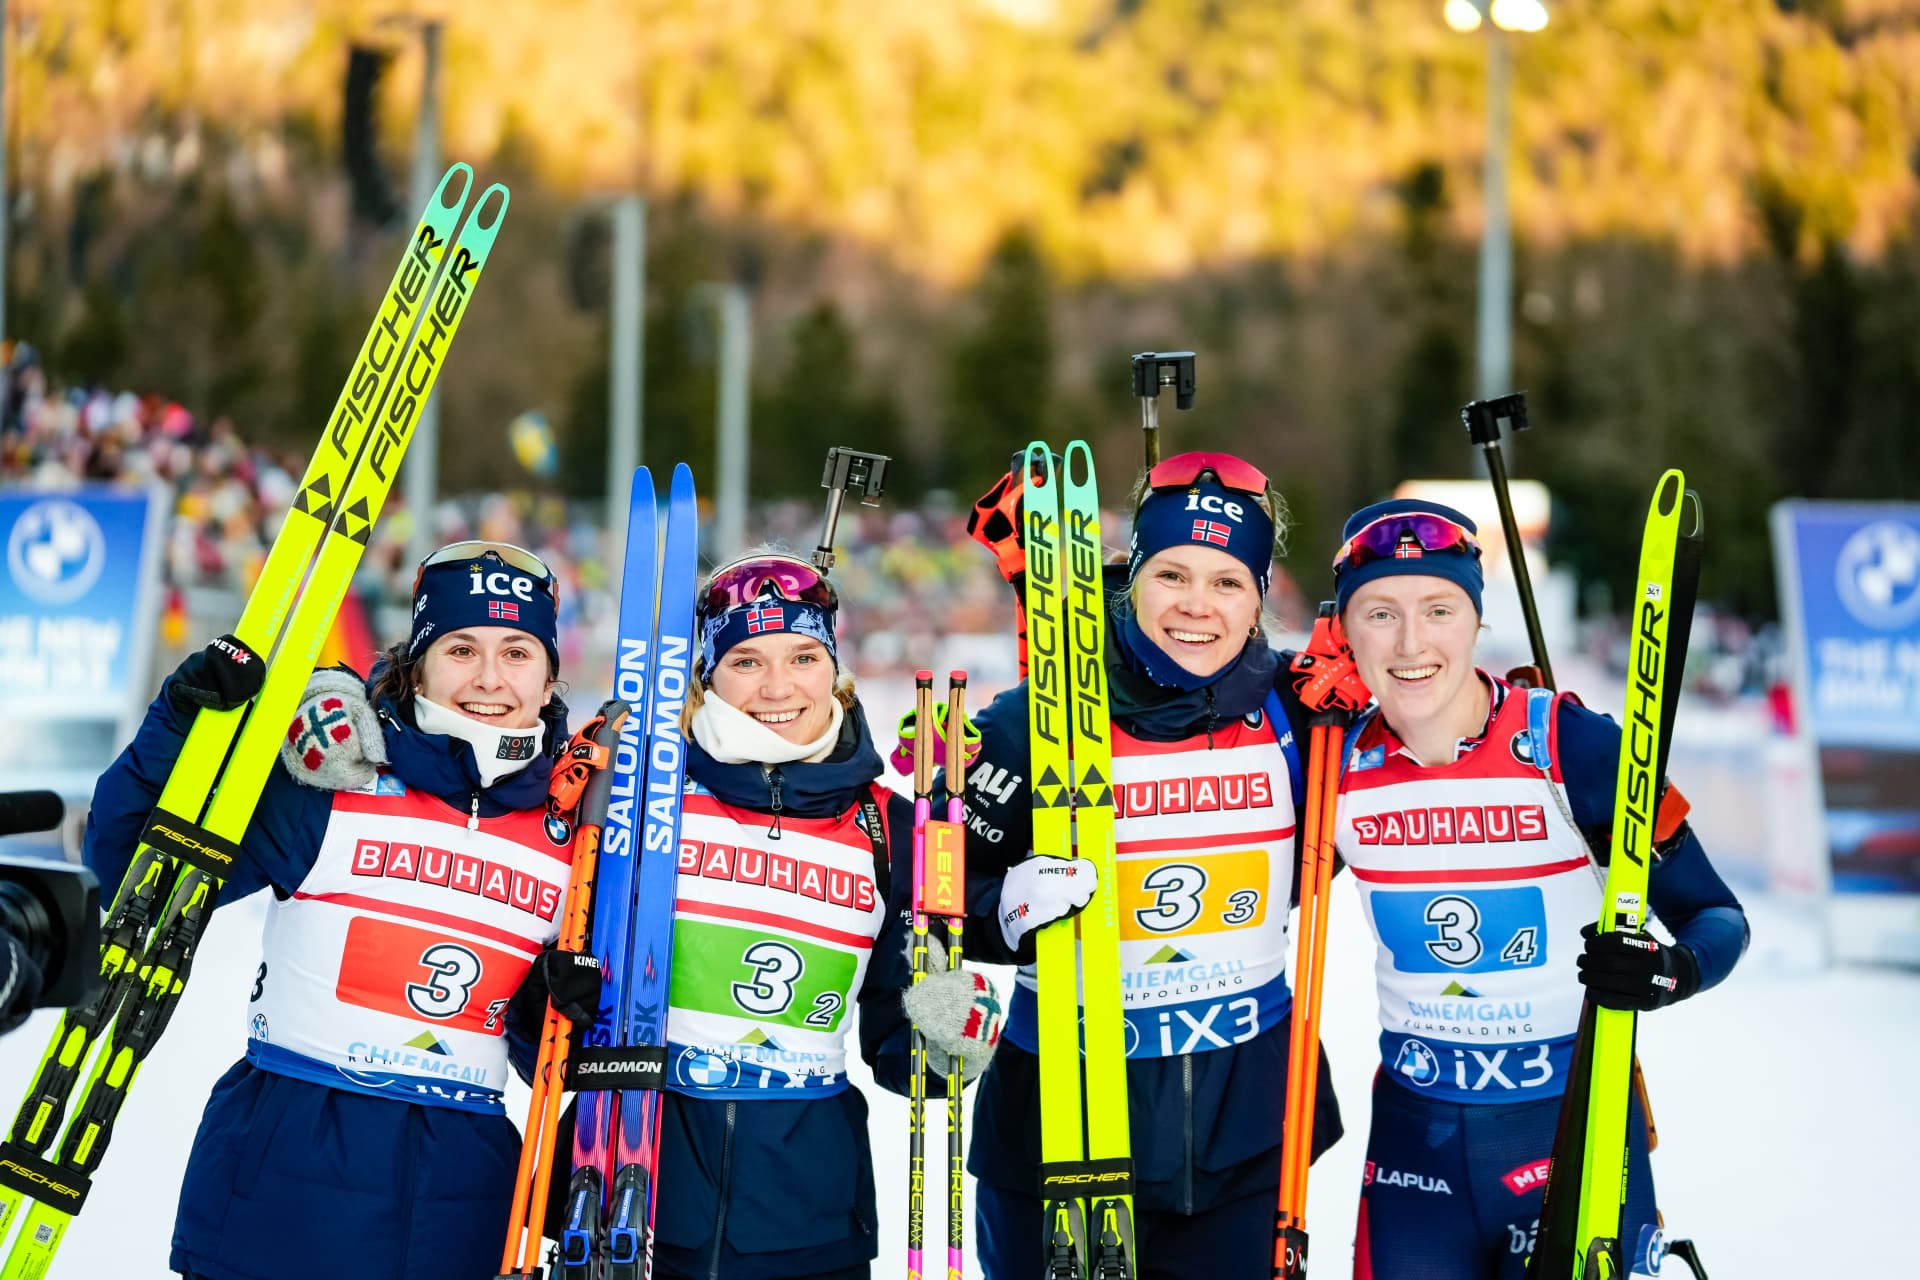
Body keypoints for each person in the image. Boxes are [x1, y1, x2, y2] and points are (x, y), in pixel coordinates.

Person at [85, 541, 602, 1280]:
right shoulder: (330, 779)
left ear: (551, 674)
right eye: (460, 649)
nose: (490, 679)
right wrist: (177, 727)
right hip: (283, 1188)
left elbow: (541, 1058)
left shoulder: (570, 831)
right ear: (417, 662)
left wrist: (559, 1009)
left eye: (518, 651)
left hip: (460, 1201)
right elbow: (136, 883)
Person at [1324, 500, 1749, 1279]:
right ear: (1345, 632)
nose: (1412, 643)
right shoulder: (1335, 768)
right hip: (1416, 1161)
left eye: (1439, 609)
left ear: (1476, 621)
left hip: (1573, 1130)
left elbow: (1716, 914)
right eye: (1380, 613)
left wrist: (1666, 971)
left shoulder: (1576, 749)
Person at [948, 452, 1344, 1279]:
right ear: (1136, 578)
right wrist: (1003, 916)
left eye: (1228, 582)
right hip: (1058, 1126)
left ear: (1260, 592)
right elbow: (929, 887)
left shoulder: (1302, 718)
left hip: (1244, 1127)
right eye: (1173, 575)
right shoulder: (1031, 720)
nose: (1197, 606)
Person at [587, 549, 1002, 1280]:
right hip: (635, 1194)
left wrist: (952, 1034)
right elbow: (544, 1001)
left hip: (808, 1217)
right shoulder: (645, 801)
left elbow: (905, 1054)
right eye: (746, 661)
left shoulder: (888, 829)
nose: (779, 687)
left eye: (803, 657)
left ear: (835, 669)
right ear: (706, 677)